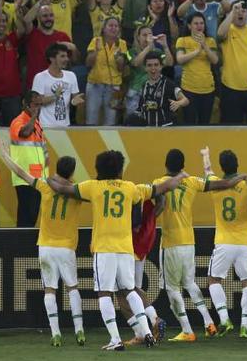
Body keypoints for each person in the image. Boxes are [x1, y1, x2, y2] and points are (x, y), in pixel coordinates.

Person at [45, 149, 185, 350]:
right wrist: (181, 175)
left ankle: (115, 340)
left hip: (104, 249)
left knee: (104, 293)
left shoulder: (93, 187)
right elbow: (163, 187)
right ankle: (146, 333)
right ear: (120, 170)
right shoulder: (131, 188)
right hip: (126, 249)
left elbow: (62, 189)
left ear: (98, 169)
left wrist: (47, 178)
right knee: (129, 291)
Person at [154, 148, 247, 342]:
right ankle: (208, 323)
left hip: (170, 242)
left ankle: (187, 330)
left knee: (172, 289)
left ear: (165, 164)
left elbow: (159, 206)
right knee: (189, 283)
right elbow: (218, 184)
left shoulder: (159, 183)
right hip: (189, 241)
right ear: (182, 165)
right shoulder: (192, 182)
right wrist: (234, 181)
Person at [0, 147, 85, 347]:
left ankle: (55, 334)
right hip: (66, 247)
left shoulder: (45, 186)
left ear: (57, 169)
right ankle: (79, 331)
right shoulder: (77, 191)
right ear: (72, 172)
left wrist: (4, 156)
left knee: (49, 290)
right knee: (72, 288)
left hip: (45, 246)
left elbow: (21, 173)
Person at [203, 148, 247, 338]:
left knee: (213, 280)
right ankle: (245, 326)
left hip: (224, 242)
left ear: (222, 167)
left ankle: (224, 319)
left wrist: (205, 156)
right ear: (237, 164)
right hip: (245, 242)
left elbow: (207, 172)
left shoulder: (216, 185)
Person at [217, 2, 247, 124]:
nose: (240, 13)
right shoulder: (228, 30)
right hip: (230, 88)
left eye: (243, 10)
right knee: (231, 128)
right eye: (237, 10)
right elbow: (219, 35)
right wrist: (232, 12)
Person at [10, 91, 48, 227]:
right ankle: (20, 245)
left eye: (39, 105)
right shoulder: (19, 121)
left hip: (37, 177)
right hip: (24, 176)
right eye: (34, 105)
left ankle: (22, 245)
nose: (37, 108)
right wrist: (33, 117)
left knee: (32, 215)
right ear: (25, 104)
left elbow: (41, 147)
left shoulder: (36, 123)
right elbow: (25, 133)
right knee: (26, 216)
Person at [129, 52, 189, 127]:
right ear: (145, 68)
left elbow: (185, 100)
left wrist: (178, 103)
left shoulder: (168, 84)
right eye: (149, 65)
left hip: (166, 128)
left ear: (161, 66)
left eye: (156, 65)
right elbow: (141, 108)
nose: (153, 68)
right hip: (148, 129)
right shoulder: (145, 85)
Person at [32, 43, 82, 128]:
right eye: (62, 56)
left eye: (66, 56)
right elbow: (37, 101)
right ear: (52, 58)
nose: (66, 59)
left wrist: (75, 102)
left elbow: (75, 99)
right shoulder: (40, 77)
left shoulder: (71, 76)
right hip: (45, 126)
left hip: (65, 126)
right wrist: (55, 96)